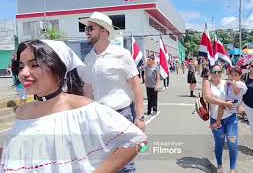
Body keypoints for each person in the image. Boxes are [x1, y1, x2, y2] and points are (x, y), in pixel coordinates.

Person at [0, 40, 147, 172]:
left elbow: (137, 140)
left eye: (34, 65)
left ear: (57, 68)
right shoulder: (22, 112)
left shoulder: (81, 108)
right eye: (21, 66)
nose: (24, 73)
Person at [77, 12, 145, 172]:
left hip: (122, 114)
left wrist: (140, 117)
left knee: (125, 164)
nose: (86, 31)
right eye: (86, 28)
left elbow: (136, 86)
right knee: (103, 162)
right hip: (98, 118)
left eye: (90, 28)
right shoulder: (88, 59)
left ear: (104, 31)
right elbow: (88, 91)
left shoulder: (122, 55)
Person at [202, 65, 237, 173]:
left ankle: (232, 168)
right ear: (210, 72)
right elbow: (208, 98)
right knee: (219, 143)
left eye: (219, 71)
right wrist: (224, 103)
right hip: (215, 119)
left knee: (232, 143)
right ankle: (220, 165)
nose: (217, 73)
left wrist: (239, 104)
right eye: (214, 71)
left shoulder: (226, 82)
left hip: (230, 118)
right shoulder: (207, 83)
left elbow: (237, 94)